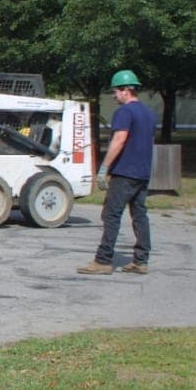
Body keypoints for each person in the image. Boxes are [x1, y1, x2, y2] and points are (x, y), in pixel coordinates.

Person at [78, 69, 156, 275]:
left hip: (125, 173)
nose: (114, 95)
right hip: (143, 173)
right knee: (140, 215)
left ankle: (103, 260)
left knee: (111, 215)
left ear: (126, 90)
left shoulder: (124, 112)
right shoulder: (149, 113)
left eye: (116, 91)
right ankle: (141, 261)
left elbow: (119, 140)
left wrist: (104, 169)